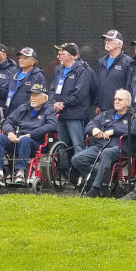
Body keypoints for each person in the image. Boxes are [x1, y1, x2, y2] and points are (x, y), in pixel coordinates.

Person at [72, 89, 136, 197]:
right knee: (77, 159)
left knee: (106, 153)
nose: (116, 101)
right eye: (115, 99)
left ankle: (95, 189)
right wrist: (94, 129)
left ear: (128, 102)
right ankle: (100, 180)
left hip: (122, 147)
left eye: (120, 99)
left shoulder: (135, 115)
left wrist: (114, 130)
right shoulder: (107, 114)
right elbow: (90, 124)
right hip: (100, 146)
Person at [0, 84, 57, 186]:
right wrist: (10, 133)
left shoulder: (49, 109)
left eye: (36, 95)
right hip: (17, 139)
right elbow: (8, 121)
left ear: (44, 99)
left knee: (24, 140)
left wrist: (30, 135)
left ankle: (20, 174)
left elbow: (52, 126)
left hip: (35, 142)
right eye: (31, 95)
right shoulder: (23, 108)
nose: (32, 98)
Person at [50, 42, 96, 177]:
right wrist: (53, 103)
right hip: (60, 114)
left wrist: (64, 103)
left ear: (70, 55)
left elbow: (80, 93)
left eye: (61, 54)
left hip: (75, 114)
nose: (58, 56)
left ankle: (82, 175)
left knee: (78, 145)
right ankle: (65, 174)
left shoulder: (82, 70)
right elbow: (52, 89)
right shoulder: (58, 69)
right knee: (62, 145)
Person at [0, 48, 45, 117]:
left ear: (33, 61)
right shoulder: (15, 73)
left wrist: (25, 109)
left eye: (25, 58)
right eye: (20, 58)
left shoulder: (38, 76)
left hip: (26, 115)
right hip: (10, 112)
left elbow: (39, 97)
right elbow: (6, 90)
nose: (21, 60)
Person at [94, 30, 130, 114]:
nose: (107, 42)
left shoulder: (127, 62)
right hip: (103, 109)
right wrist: (98, 104)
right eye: (106, 40)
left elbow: (130, 85)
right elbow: (99, 84)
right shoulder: (102, 61)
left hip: (120, 109)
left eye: (110, 40)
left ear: (119, 44)